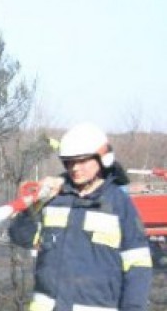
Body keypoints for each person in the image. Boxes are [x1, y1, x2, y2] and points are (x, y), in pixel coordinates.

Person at [8, 122, 153, 311]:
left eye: (82, 160)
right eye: (69, 162)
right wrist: (31, 206)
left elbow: (138, 265)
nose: (75, 168)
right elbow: (21, 237)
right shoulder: (53, 197)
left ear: (103, 159)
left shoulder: (119, 204)